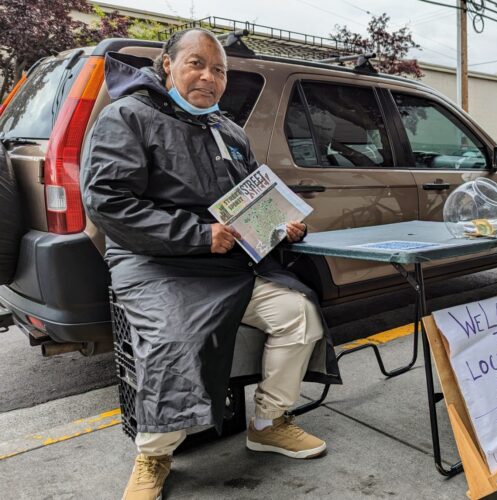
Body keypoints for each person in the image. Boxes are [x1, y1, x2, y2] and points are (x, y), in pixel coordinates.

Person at [80, 28, 340, 500]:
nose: (209, 76)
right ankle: (154, 455)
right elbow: (108, 203)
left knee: (298, 315)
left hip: (225, 264)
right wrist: (199, 235)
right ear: (167, 65)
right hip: (155, 263)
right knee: (176, 341)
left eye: (219, 69)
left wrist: (280, 223)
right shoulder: (127, 117)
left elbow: (249, 201)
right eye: (197, 64)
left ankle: (268, 421)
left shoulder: (228, 129)